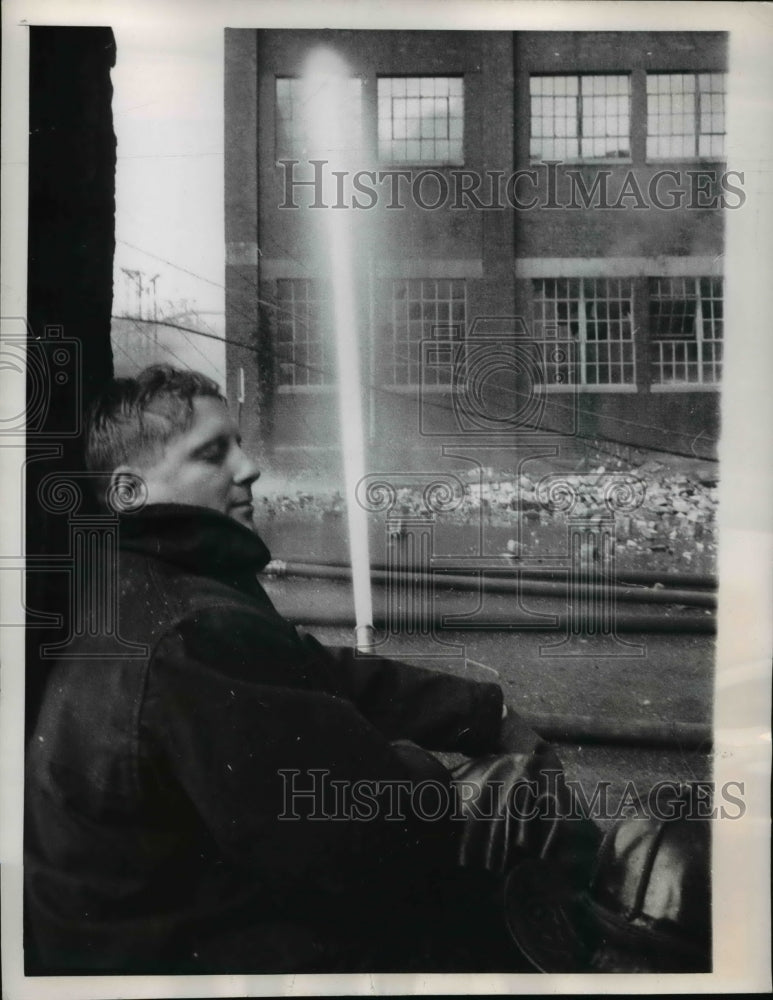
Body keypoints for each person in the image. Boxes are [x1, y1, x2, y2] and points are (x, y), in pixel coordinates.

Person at [25, 364, 560, 975]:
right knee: (503, 907)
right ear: (128, 492)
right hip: (176, 959)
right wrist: (459, 795)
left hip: (139, 931)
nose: (249, 468)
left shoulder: (140, 585)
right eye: (212, 454)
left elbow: (305, 666)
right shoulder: (190, 630)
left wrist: (480, 712)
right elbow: (354, 845)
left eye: (240, 445)